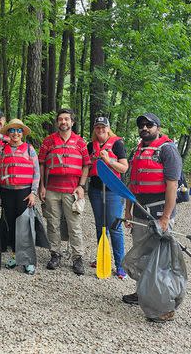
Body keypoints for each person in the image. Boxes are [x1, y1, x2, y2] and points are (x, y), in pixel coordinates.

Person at [121, 113, 183, 322]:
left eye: (149, 125)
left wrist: (165, 218)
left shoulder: (168, 151)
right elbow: (131, 184)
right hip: (139, 212)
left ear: (158, 127)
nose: (145, 128)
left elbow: (172, 185)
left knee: (160, 262)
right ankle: (143, 293)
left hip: (157, 214)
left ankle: (164, 307)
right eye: (141, 125)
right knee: (142, 256)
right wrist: (128, 211)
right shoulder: (137, 150)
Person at [38, 108, 91, 276]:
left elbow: (86, 165)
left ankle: (77, 258)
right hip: (52, 189)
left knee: (74, 225)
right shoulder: (48, 141)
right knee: (52, 224)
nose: (63, 122)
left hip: (72, 190)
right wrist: (42, 186)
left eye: (67, 119)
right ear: (57, 122)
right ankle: (55, 254)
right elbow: (41, 164)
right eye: (60, 119)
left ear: (72, 122)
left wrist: (81, 186)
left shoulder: (80, 142)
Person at [0, 118, 40, 275]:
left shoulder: (29, 149)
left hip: (24, 192)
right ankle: (15, 255)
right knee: (12, 225)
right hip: (7, 191)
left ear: (22, 134)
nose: (15, 133)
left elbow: (36, 172)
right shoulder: (2, 150)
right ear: (8, 133)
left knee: (25, 225)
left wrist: (33, 192)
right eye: (12, 130)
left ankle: (28, 260)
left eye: (19, 130)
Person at [86, 116, 129, 279]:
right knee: (100, 226)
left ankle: (120, 265)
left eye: (103, 127)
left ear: (108, 128)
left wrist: (108, 160)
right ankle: (102, 258)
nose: (100, 130)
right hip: (96, 190)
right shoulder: (91, 145)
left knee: (114, 227)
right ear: (94, 130)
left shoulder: (117, 144)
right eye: (97, 127)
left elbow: (124, 168)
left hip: (113, 191)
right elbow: (88, 165)